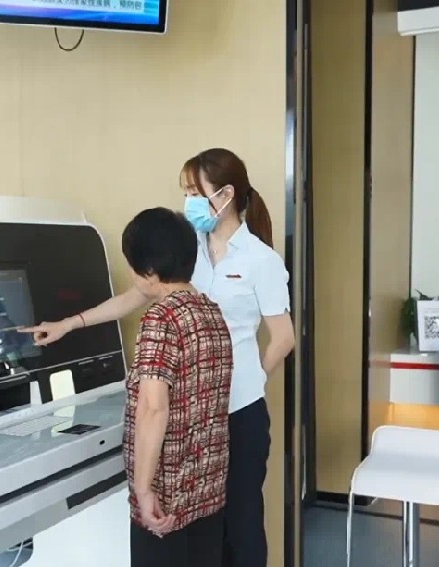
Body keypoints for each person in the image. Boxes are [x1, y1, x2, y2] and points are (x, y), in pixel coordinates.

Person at [22, 148, 294, 567]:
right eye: (185, 192)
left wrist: (245, 383)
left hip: (239, 412)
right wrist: (70, 323)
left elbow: (283, 339)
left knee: (240, 528)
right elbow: (135, 295)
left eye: (195, 192)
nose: (188, 202)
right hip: (190, 414)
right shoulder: (187, 248)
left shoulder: (261, 260)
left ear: (225, 194)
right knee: (198, 525)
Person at [119, 207, 232, 567]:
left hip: (167, 496)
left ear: (150, 271)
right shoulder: (211, 312)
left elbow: (154, 408)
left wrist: (143, 488)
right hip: (207, 489)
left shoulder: (161, 318)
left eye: (133, 266)